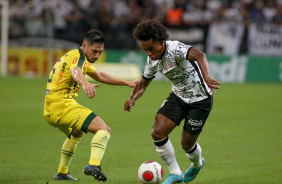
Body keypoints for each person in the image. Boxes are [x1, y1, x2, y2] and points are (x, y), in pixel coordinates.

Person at [124, 19, 220, 184]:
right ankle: (175, 173)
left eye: (151, 48)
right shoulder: (152, 60)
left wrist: (206, 76)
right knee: (157, 132)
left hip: (200, 99)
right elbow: (143, 84)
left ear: (161, 42)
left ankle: (197, 164)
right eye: (145, 50)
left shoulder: (174, 48)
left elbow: (199, 55)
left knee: (187, 145)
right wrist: (132, 98)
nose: (149, 53)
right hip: (178, 97)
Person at [43, 29, 139, 182]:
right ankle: (93, 165)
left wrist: (126, 82)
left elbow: (100, 75)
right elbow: (75, 71)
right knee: (104, 129)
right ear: (84, 46)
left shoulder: (78, 57)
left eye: (100, 52)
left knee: (77, 132)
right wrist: (85, 83)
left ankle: (62, 172)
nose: (97, 55)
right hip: (61, 106)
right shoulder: (77, 58)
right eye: (94, 51)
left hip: (50, 108)